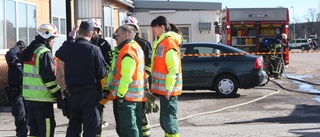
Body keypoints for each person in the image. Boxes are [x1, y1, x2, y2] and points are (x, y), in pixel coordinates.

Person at [55, 21, 107, 137]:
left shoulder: (69, 48)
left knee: (73, 126)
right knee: (90, 127)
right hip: (90, 95)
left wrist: (70, 38)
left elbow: (58, 53)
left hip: (72, 94)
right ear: (92, 34)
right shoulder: (94, 49)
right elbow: (102, 73)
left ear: (78, 32)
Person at [18, 23, 62, 137]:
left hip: (29, 100)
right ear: (47, 37)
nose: (54, 41)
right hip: (43, 100)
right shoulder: (43, 52)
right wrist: (58, 95)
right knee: (46, 131)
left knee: (34, 132)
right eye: (53, 38)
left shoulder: (30, 51)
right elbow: (49, 80)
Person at [109, 24, 146, 137]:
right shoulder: (137, 47)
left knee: (129, 127)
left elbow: (126, 76)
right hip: (138, 95)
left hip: (127, 96)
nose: (116, 38)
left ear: (126, 35)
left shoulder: (127, 50)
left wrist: (120, 94)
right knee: (136, 126)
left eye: (118, 35)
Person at [119, 16, 153, 137]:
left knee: (140, 118)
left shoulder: (141, 44)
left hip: (138, 86)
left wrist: (144, 77)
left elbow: (148, 64)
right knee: (135, 120)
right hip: (134, 88)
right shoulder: (127, 45)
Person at [150, 16, 183, 137]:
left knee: (168, 120)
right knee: (165, 119)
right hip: (165, 89)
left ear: (162, 27)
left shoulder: (168, 42)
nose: (153, 29)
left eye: (154, 26)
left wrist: (169, 87)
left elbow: (173, 68)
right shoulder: (162, 42)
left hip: (169, 90)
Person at [86, 18, 112, 137]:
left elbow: (110, 63)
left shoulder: (103, 44)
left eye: (94, 29)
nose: (92, 31)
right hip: (85, 83)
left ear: (98, 30)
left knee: (98, 110)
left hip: (99, 82)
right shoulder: (82, 42)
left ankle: (97, 133)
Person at [5, 40, 28, 137]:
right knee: (21, 120)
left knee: (28, 121)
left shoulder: (25, 60)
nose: (22, 50)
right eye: (20, 49)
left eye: (23, 49)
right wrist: (17, 47)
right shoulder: (13, 61)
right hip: (17, 95)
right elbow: (10, 55)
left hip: (27, 93)